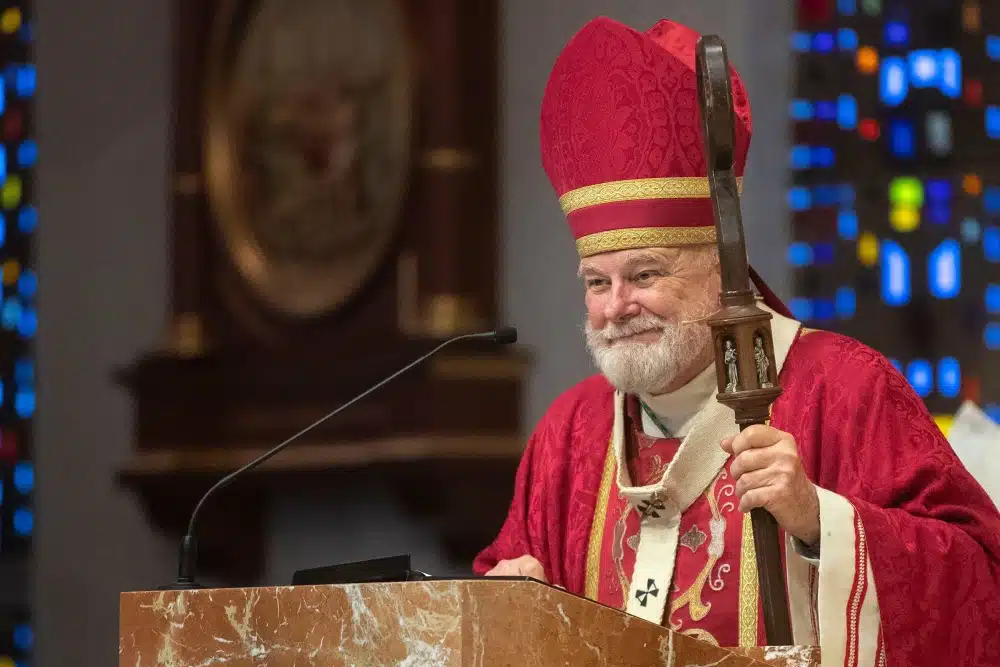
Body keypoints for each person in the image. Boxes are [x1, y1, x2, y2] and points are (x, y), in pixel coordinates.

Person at [473, 16, 1000, 667]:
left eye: (645, 275)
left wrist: (821, 522)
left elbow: (978, 585)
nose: (616, 308)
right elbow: (498, 587)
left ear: (720, 270)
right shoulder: (569, 435)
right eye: (597, 282)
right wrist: (506, 603)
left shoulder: (844, 391)